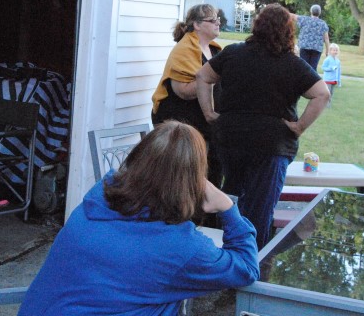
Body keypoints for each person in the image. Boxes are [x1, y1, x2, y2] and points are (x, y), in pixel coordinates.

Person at [18, 121, 259, 316]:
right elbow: (247, 268)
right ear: (194, 181)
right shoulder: (181, 247)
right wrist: (228, 208)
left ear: (137, 158)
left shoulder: (96, 201)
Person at [196, 3, 330, 249]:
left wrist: (208, 112)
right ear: (288, 32)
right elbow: (322, 94)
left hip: (230, 139)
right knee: (260, 208)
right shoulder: (292, 63)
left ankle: (225, 256)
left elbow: (203, 76)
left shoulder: (233, 53)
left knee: (231, 200)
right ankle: (252, 260)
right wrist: (299, 126)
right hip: (271, 145)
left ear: (257, 26)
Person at [151, 4, 223, 188]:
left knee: (213, 174)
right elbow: (182, 91)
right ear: (197, 25)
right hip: (182, 127)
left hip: (207, 126)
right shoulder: (184, 49)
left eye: (218, 19)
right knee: (184, 180)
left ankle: (209, 206)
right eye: (212, 20)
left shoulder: (215, 50)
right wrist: (210, 78)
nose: (218, 22)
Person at [295, 4, 330, 70]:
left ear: (311, 11)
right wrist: (327, 51)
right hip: (317, 48)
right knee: (313, 69)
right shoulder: (323, 24)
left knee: (304, 67)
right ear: (319, 13)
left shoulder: (304, 19)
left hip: (304, 46)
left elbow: (292, 16)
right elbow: (326, 38)